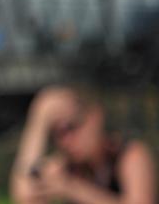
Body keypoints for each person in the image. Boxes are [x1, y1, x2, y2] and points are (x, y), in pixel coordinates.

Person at [10, 85, 156, 204]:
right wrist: (39, 121)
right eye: (58, 134)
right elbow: (24, 195)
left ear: (95, 116)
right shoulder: (67, 165)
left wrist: (72, 188)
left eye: (72, 127)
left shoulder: (129, 154)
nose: (66, 141)